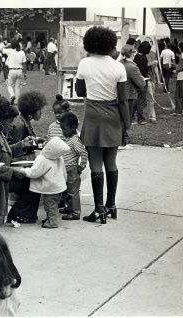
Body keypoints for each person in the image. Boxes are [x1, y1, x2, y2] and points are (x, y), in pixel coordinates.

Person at [75, 26, 130, 224]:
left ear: (90, 43)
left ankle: (99, 210)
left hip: (93, 115)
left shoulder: (84, 63)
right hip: (114, 115)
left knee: (95, 163)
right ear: (111, 44)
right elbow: (123, 100)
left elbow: (80, 91)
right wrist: (127, 125)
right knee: (111, 162)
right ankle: (111, 205)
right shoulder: (118, 66)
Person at [0, 95, 39, 224]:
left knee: (34, 178)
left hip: (2, 179)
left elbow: (4, 152)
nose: (11, 125)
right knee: (33, 181)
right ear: (0, 120)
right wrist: (13, 170)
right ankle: (19, 214)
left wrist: (22, 144)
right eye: (10, 121)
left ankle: (22, 214)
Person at [20, 136, 69, 228]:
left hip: (50, 188)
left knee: (49, 205)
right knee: (53, 205)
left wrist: (23, 170)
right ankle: (50, 218)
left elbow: (34, 173)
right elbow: (64, 172)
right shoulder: (59, 157)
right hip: (59, 187)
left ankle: (52, 222)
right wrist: (64, 182)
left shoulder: (43, 158)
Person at [57, 112, 88, 220]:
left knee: (72, 192)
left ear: (73, 128)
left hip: (72, 170)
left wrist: (81, 166)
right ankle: (68, 207)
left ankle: (75, 212)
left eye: (65, 129)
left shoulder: (75, 140)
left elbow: (83, 153)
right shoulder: (69, 139)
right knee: (67, 191)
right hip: (66, 170)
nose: (63, 132)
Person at [8, 91, 47, 161]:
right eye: (39, 110)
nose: (41, 113)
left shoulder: (25, 122)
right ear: (31, 110)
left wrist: (36, 142)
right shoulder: (20, 126)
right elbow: (15, 150)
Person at [120, 45, 146, 126]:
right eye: (134, 52)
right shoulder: (132, 67)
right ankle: (124, 136)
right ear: (131, 54)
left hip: (119, 93)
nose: (135, 54)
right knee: (127, 118)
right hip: (129, 95)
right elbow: (141, 83)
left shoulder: (120, 63)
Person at [0, 39, 27, 106]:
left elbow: (0, 49)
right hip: (19, 70)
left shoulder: (10, 51)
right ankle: (16, 101)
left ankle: (12, 95)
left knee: (9, 85)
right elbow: (24, 64)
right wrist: (25, 73)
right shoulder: (22, 52)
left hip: (12, 70)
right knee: (17, 86)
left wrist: (6, 45)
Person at [133, 41, 151, 125]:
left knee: (138, 99)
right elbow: (143, 71)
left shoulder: (137, 56)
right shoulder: (143, 58)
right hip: (143, 80)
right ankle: (140, 119)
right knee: (141, 100)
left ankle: (131, 115)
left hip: (136, 79)